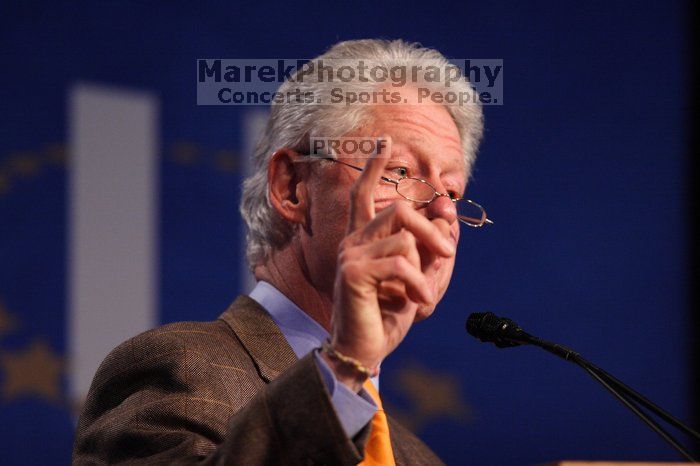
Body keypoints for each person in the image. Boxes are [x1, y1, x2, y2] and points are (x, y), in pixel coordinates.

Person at [72, 39, 487, 465]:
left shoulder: (420, 459)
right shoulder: (177, 369)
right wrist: (344, 369)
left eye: (452, 190)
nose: (442, 210)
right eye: (400, 172)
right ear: (292, 187)